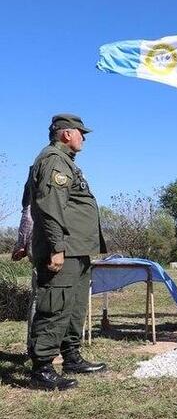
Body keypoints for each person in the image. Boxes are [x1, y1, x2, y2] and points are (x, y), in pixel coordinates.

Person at [28, 114, 107, 390]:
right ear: (66, 134)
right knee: (55, 306)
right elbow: (50, 208)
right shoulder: (53, 161)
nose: (83, 138)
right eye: (80, 133)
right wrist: (56, 248)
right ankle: (42, 367)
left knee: (74, 307)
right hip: (64, 249)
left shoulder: (67, 163)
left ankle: (71, 356)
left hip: (78, 250)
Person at [11, 167, 37, 354]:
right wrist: (21, 245)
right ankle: (35, 346)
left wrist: (21, 245)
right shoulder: (38, 175)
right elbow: (28, 214)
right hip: (42, 246)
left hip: (42, 245)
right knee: (40, 297)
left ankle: (39, 346)